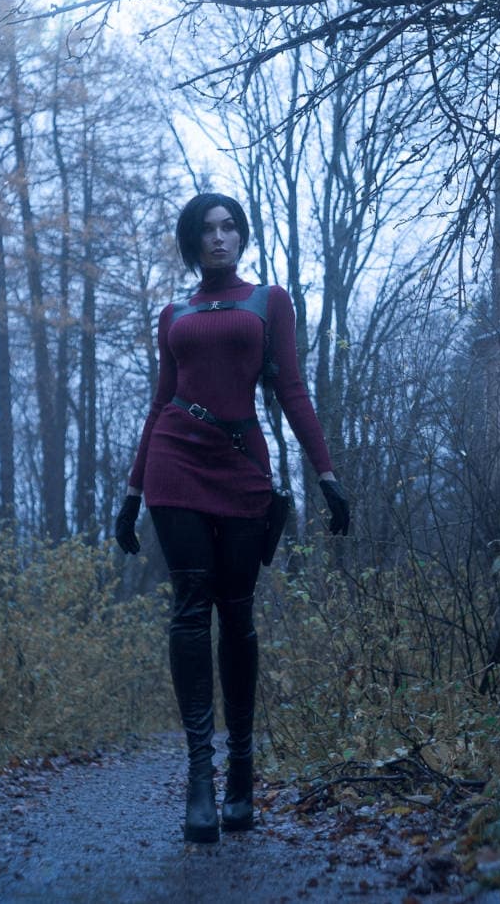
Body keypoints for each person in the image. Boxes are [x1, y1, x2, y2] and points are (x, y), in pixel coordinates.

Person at [114, 192, 350, 844]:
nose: (219, 238)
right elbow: (161, 401)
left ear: (242, 237)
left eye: (230, 227)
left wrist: (326, 474)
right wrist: (132, 493)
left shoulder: (268, 302)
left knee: (238, 613)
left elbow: (293, 390)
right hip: (173, 464)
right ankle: (199, 780)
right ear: (192, 243)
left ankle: (242, 771)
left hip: (243, 466)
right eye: (207, 230)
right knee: (190, 607)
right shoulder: (175, 313)